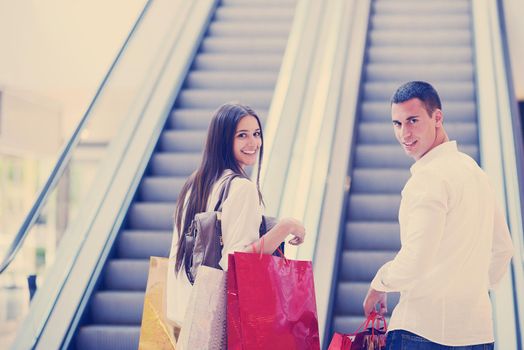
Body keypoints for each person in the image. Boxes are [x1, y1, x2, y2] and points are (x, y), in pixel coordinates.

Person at [362, 81, 514, 349]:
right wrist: (467, 286)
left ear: (437, 118)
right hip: (477, 334)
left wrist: (380, 282)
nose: (404, 133)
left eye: (413, 120)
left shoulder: (428, 178)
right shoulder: (476, 173)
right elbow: (503, 249)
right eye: (397, 124)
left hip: (421, 331)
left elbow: (416, 260)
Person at [166, 102, 306, 326]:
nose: (254, 143)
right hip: (223, 321)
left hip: (189, 316)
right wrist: (285, 227)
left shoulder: (194, 184)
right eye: (242, 135)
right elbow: (239, 262)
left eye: (256, 134)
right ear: (223, 140)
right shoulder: (241, 188)